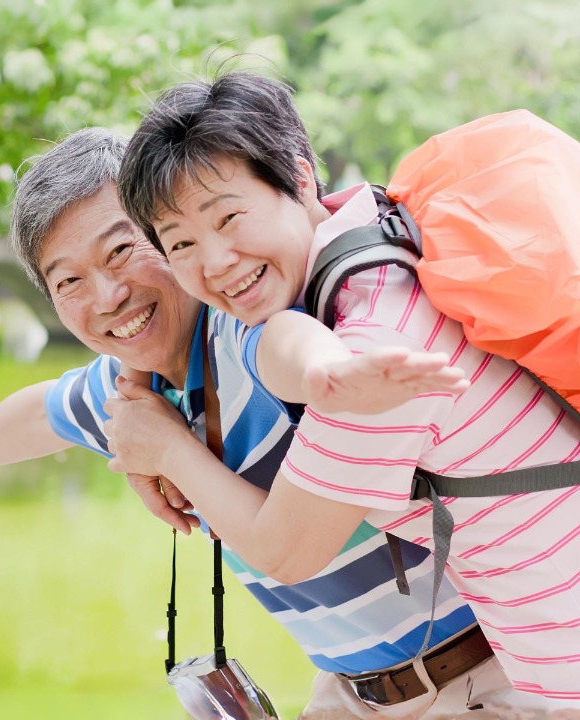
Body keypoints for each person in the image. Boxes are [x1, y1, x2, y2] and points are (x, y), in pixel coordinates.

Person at [0, 127, 514, 719]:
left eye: (123, 250)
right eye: (69, 281)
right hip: (351, 694)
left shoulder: (240, 326)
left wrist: (331, 374)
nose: (107, 297)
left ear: (170, 234)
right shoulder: (130, 390)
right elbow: (43, 411)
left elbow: (288, 345)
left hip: (480, 675)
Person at [110, 71, 580, 703]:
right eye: (182, 243)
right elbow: (269, 334)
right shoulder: (376, 228)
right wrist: (135, 371)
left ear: (300, 179)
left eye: (229, 218)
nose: (215, 262)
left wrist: (167, 450)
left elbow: (285, 550)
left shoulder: (375, 363)